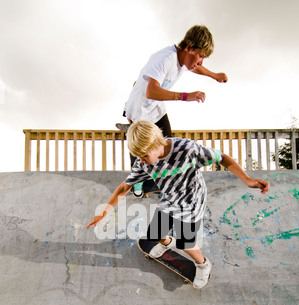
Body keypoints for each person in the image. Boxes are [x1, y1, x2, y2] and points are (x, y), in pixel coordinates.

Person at [86, 120, 270, 289]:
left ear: (156, 144)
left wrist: (248, 180)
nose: (141, 160)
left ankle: (203, 264)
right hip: (170, 199)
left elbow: (222, 158)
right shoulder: (143, 163)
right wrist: (105, 211)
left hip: (192, 202)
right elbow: (125, 186)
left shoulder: (188, 149)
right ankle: (167, 243)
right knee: (154, 234)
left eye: (143, 155)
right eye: (137, 156)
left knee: (185, 244)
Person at [121, 25, 228, 197]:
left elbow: (196, 67)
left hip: (156, 107)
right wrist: (185, 96)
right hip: (140, 108)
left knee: (167, 143)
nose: (201, 61)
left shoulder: (184, 59)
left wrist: (214, 75)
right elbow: (151, 91)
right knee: (141, 146)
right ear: (188, 47)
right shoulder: (166, 58)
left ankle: (164, 182)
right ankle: (137, 182)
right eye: (200, 55)